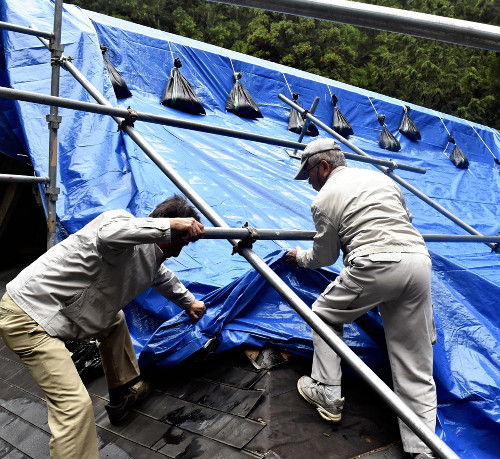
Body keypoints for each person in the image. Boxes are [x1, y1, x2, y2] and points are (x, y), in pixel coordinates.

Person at [0, 194, 206, 459]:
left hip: (60, 312)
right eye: (185, 238)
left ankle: (123, 391)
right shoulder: (119, 224)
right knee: (74, 409)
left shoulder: (152, 257)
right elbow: (109, 233)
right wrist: (171, 226)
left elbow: (161, 276)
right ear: (174, 232)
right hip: (27, 317)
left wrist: (189, 302)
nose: (185, 245)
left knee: (115, 319)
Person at [285, 139, 437, 459]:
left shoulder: (325, 198)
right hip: (418, 263)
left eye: (309, 175)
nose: (309, 183)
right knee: (414, 360)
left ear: (324, 167)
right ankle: (423, 449)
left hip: (375, 263)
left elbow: (324, 256)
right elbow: (404, 220)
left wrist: (299, 257)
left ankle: (327, 392)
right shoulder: (380, 179)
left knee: (322, 315)